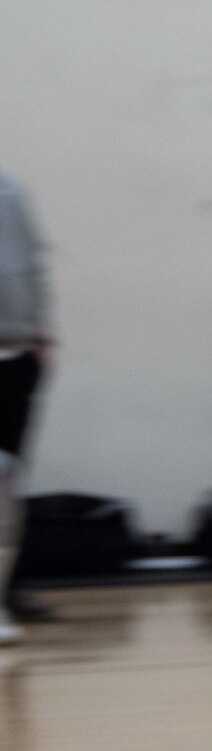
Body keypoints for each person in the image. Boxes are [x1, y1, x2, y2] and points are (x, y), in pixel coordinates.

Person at [0, 167, 56, 643]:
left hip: (17, 354)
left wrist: (43, 332)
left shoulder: (12, 190)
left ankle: (8, 588)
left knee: (10, 479)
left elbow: (34, 262)